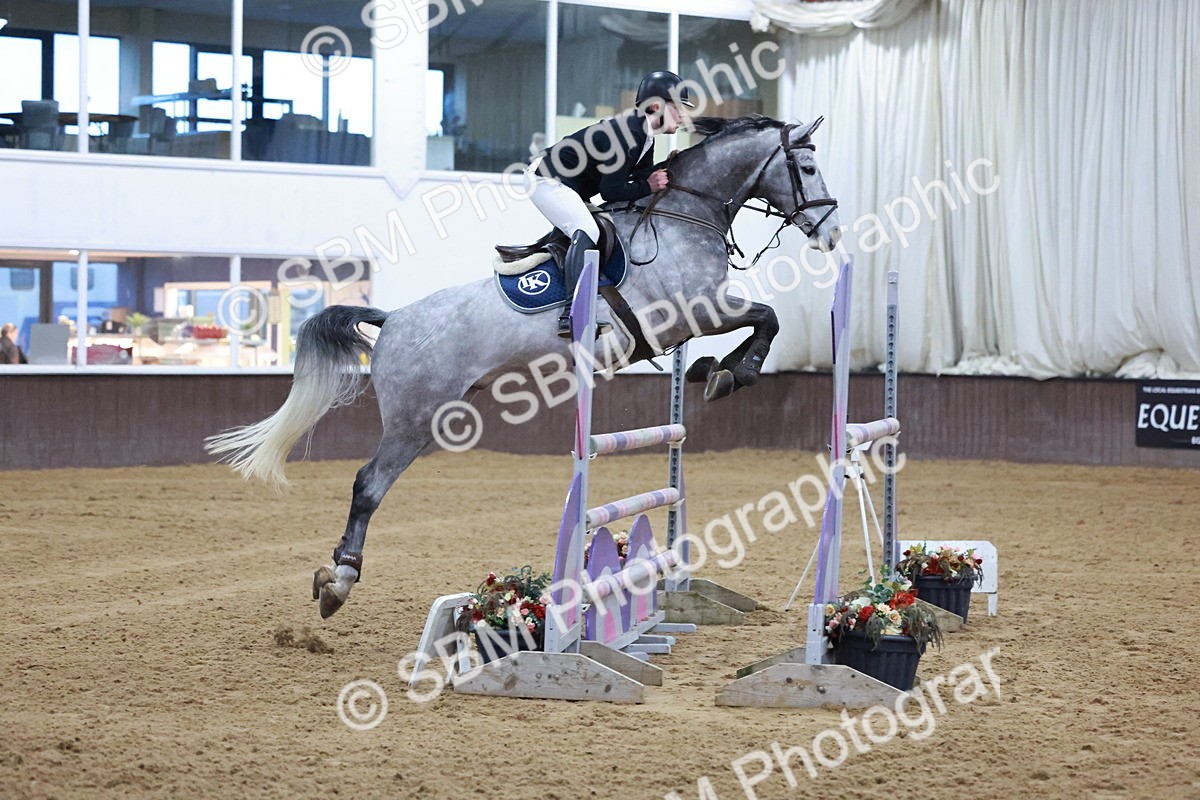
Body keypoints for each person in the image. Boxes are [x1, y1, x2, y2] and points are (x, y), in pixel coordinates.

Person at [526, 70, 695, 336]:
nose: (683, 116)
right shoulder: (628, 133)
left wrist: (671, 164)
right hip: (546, 178)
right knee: (588, 229)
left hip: (567, 184)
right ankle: (572, 313)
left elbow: (638, 174)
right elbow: (611, 191)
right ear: (656, 106)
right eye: (677, 108)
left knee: (594, 228)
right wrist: (648, 185)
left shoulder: (643, 135)